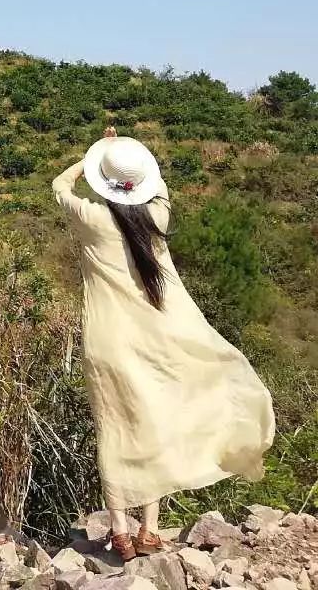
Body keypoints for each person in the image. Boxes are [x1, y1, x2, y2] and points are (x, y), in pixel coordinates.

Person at [52, 128, 275, 561]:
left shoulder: (91, 218)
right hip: (155, 338)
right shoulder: (157, 218)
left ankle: (120, 532)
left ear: (103, 181)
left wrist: (95, 155)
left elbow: (60, 185)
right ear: (141, 184)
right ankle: (149, 530)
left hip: (108, 341)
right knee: (152, 424)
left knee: (113, 429)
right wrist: (124, 155)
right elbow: (159, 187)